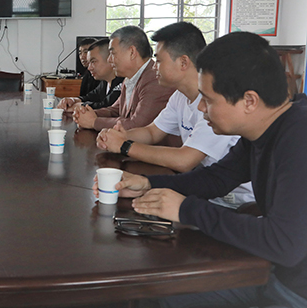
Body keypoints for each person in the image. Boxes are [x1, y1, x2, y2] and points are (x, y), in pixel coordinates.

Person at [97, 32, 307, 308]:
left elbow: (285, 244)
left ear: (249, 101)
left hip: (294, 291)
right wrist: (147, 183)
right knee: (147, 290)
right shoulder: (261, 131)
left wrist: (186, 209)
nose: (201, 107)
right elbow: (217, 178)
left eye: (208, 99)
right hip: (270, 271)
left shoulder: (298, 140)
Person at [95, 22, 253, 208]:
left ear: (183, 62)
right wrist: (119, 136)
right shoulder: (180, 96)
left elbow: (184, 160)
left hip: (237, 204)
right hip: (204, 189)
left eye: (159, 61)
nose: (154, 67)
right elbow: (152, 132)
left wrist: (124, 146)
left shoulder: (217, 103)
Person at [73, 26, 174, 131]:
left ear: (132, 52)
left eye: (113, 53)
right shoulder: (129, 78)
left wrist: (93, 122)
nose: (109, 59)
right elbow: (115, 110)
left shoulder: (155, 80)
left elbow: (137, 125)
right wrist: (86, 114)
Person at [57, 39, 124, 113]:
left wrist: (81, 106)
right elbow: (90, 97)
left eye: (93, 62)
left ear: (110, 59)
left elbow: (107, 106)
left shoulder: (123, 82)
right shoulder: (105, 82)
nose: (89, 68)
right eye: (89, 63)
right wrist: (73, 100)